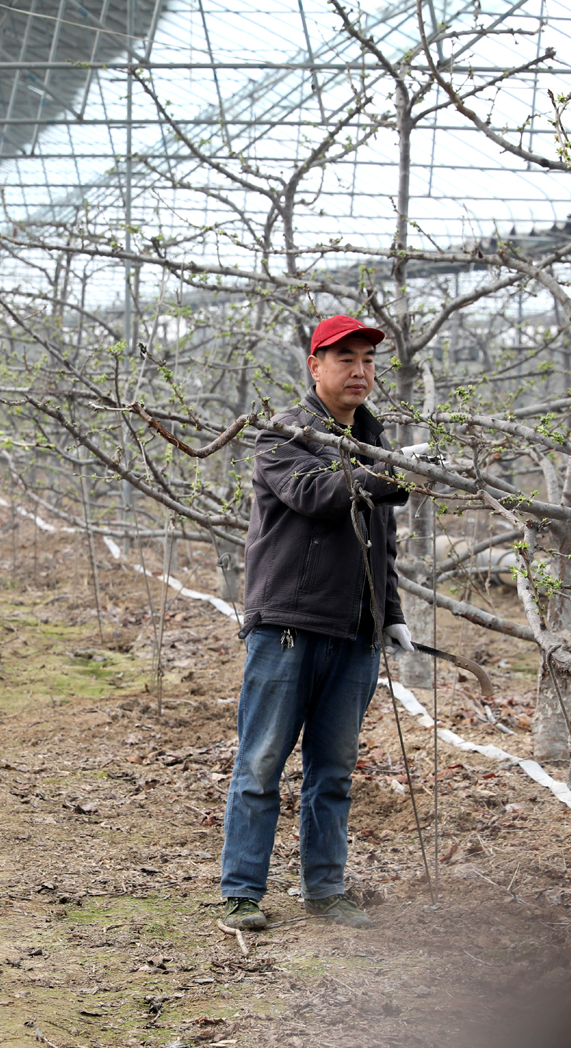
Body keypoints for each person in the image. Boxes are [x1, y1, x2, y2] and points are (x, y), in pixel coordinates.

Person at [218, 314, 415, 930]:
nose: (360, 371)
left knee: (333, 771)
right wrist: (391, 471)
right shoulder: (284, 434)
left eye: (368, 361)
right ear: (315, 366)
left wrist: (392, 614)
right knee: (262, 764)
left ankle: (325, 890)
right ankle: (243, 892)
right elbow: (317, 494)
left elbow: (379, 543)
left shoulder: (375, 439)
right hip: (288, 627)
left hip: (355, 634)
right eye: (345, 359)